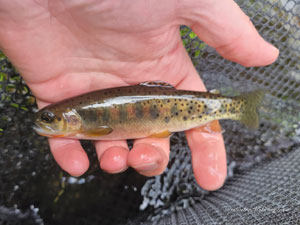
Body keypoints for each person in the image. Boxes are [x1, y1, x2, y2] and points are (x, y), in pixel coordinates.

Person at [0, 0, 278, 191]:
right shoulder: (83, 120)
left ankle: (237, 107)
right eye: (48, 118)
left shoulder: (87, 123)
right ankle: (236, 107)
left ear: (71, 118)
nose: (46, 121)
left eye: (50, 118)